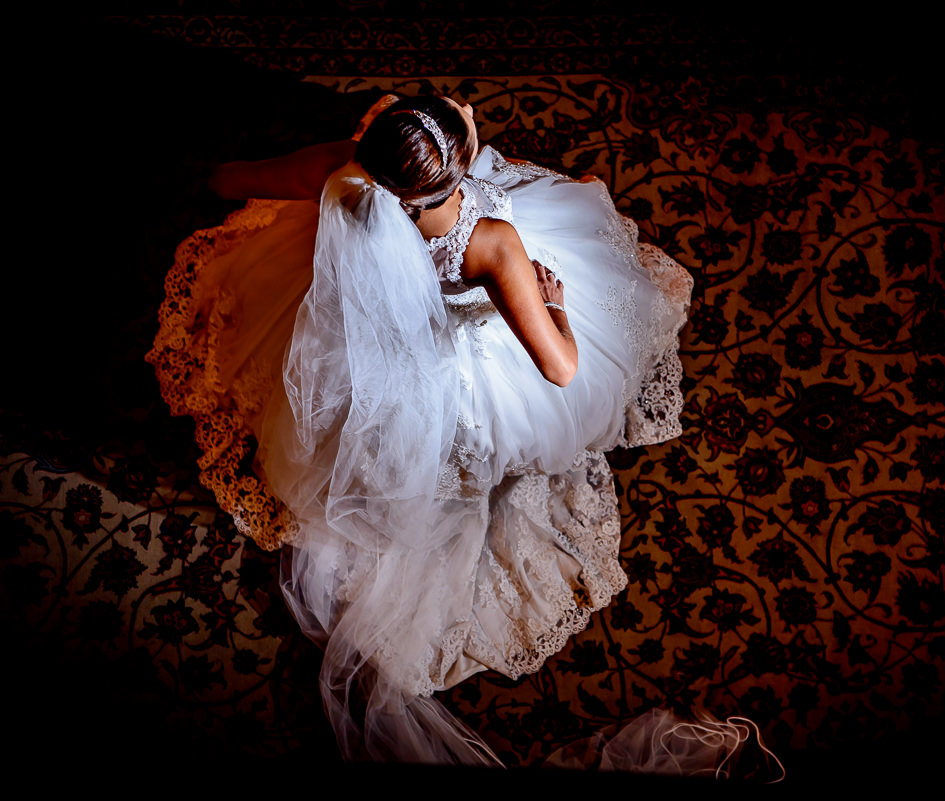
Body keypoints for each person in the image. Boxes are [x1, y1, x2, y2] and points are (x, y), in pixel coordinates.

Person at [147, 93, 694, 765]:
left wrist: (218, 178)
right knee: (583, 230)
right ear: (456, 165)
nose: (465, 105)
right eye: (457, 118)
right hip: (463, 363)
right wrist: (554, 306)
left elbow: (247, 176)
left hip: (379, 346)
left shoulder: (347, 171)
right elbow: (559, 368)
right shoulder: (493, 243)